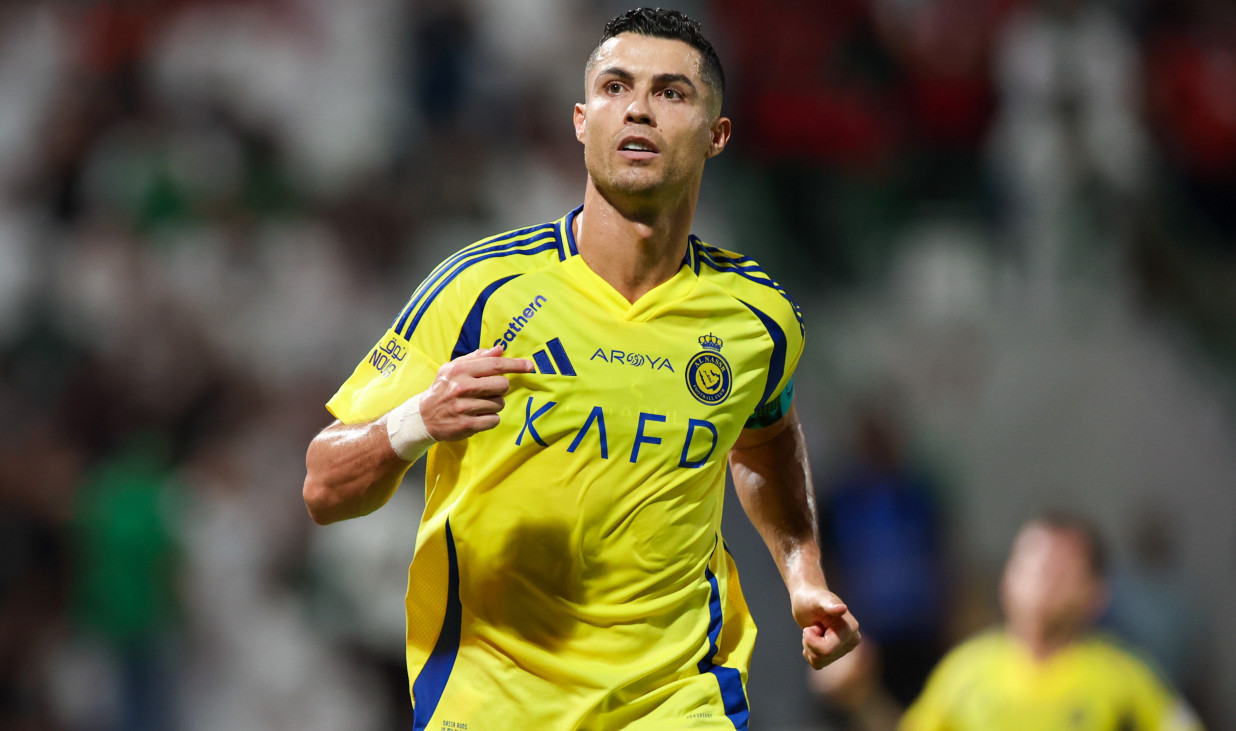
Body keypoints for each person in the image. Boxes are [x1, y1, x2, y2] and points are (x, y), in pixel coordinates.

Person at [302, 8, 859, 730]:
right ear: (580, 120)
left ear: (717, 136)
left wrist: (803, 572)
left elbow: (764, 438)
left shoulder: (757, 319)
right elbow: (321, 486)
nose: (638, 108)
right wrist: (416, 420)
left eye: (671, 93)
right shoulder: (479, 291)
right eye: (616, 86)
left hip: (677, 696)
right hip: (494, 695)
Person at [811, 513, 1203, 731]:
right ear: (1006, 579)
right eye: (1031, 562)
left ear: (1094, 595)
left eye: (1061, 568)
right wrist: (861, 697)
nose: (1042, 577)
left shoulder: (1128, 680)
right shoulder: (964, 671)